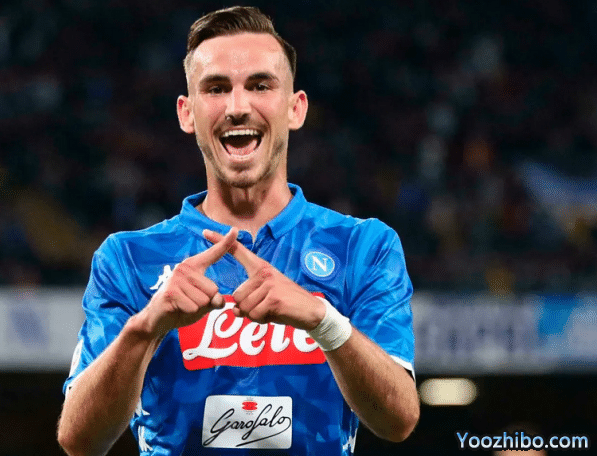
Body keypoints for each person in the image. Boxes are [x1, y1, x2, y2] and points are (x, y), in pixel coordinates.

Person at [57, 6, 419, 455]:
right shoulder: (127, 259)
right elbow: (79, 441)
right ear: (187, 114)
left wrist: (321, 319)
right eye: (216, 88)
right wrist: (145, 329)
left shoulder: (364, 247)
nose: (238, 107)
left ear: (295, 108)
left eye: (260, 86)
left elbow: (399, 420)